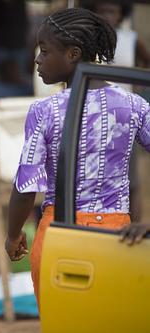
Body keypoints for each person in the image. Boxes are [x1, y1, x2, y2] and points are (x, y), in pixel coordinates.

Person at [5, 7, 150, 305]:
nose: (37, 59)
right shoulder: (133, 105)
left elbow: (26, 188)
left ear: (73, 54)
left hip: (59, 233)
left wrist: (13, 234)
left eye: (44, 51)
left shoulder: (44, 111)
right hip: (118, 236)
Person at [81, 0, 150, 223]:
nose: (107, 16)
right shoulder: (89, 41)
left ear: (121, 14)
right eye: (102, 12)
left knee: (130, 178)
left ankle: (134, 222)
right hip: (93, 114)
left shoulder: (130, 39)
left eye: (112, 11)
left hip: (123, 116)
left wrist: (137, 83)